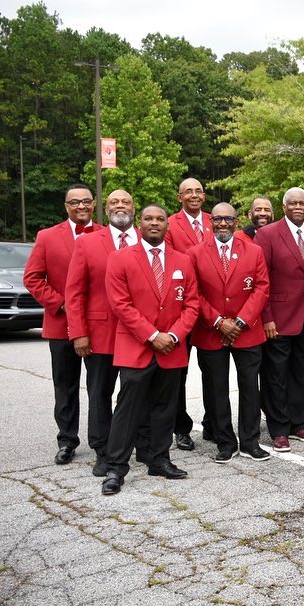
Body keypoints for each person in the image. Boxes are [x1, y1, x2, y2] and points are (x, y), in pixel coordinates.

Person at [100, 205, 200, 495]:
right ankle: (116, 467)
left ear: (167, 225)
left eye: (160, 219)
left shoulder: (183, 260)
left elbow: (192, 303)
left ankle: (159, 459)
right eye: (148, 219)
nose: (154, 223)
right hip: (137, 346)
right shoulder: (120, 259)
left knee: (165, 409)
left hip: (172, 347)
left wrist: (175, 335)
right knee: (127, 409)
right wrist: (152, 335)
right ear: (139, 224)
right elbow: (120, 304)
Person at [188, 203, 271, 463]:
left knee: (249, 389)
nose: (223, 223)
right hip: (211, 332)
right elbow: (194, 293)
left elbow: (261, 289)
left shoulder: (254, 251)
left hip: (247, 332)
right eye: (218, 219)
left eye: (228, 219)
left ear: (236, 221)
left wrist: (241, 321)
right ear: (211, 221)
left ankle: (250, 441)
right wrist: (218, 322)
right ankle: (225, 442)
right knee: (216, 390)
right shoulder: (195, 253)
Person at [65, 189, 139, 476]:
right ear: (105, 209)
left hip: (138, 334)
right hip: (100, 334)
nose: (120, 206)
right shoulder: (87, 243)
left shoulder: (147, 239)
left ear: (134, 207)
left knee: (136, 394)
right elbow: (74, 292)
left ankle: (141, 445)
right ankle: (102, 450)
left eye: (126, 202)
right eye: (114, 202)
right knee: (100, 394)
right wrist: (78, 333)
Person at [24, 183, 98, 465]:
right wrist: (61, 303)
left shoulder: (105, 234)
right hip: (61, 323)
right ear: (66, 206)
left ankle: (100, 439)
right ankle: (67, 440)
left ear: (93, 204)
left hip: (96, 324)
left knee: (99, 385)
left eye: (86, 201)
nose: (81, 206)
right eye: (75, 202)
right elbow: (32, 278)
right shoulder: (47, 237)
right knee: (65, 385)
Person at [254, 187, 304, 452]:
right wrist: (266, 317)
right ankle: (279, 429)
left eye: (303, 203)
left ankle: (298, 424)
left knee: (299, 373)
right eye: (292, 203)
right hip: (278, 319)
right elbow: (261, 279)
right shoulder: (267, 234)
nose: (298, 207)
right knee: (276, 375)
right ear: (283, 207)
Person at [165, 177, 213, 452]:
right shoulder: (170, 224)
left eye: (198, 191)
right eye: (188, 192)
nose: (194, 195)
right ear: (179, 196)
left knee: (212, 372)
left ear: (203, 196)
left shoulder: (214, 220)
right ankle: (180, 429)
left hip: (212, 309)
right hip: (182, 308)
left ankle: (212, 422)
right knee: (178, 375)